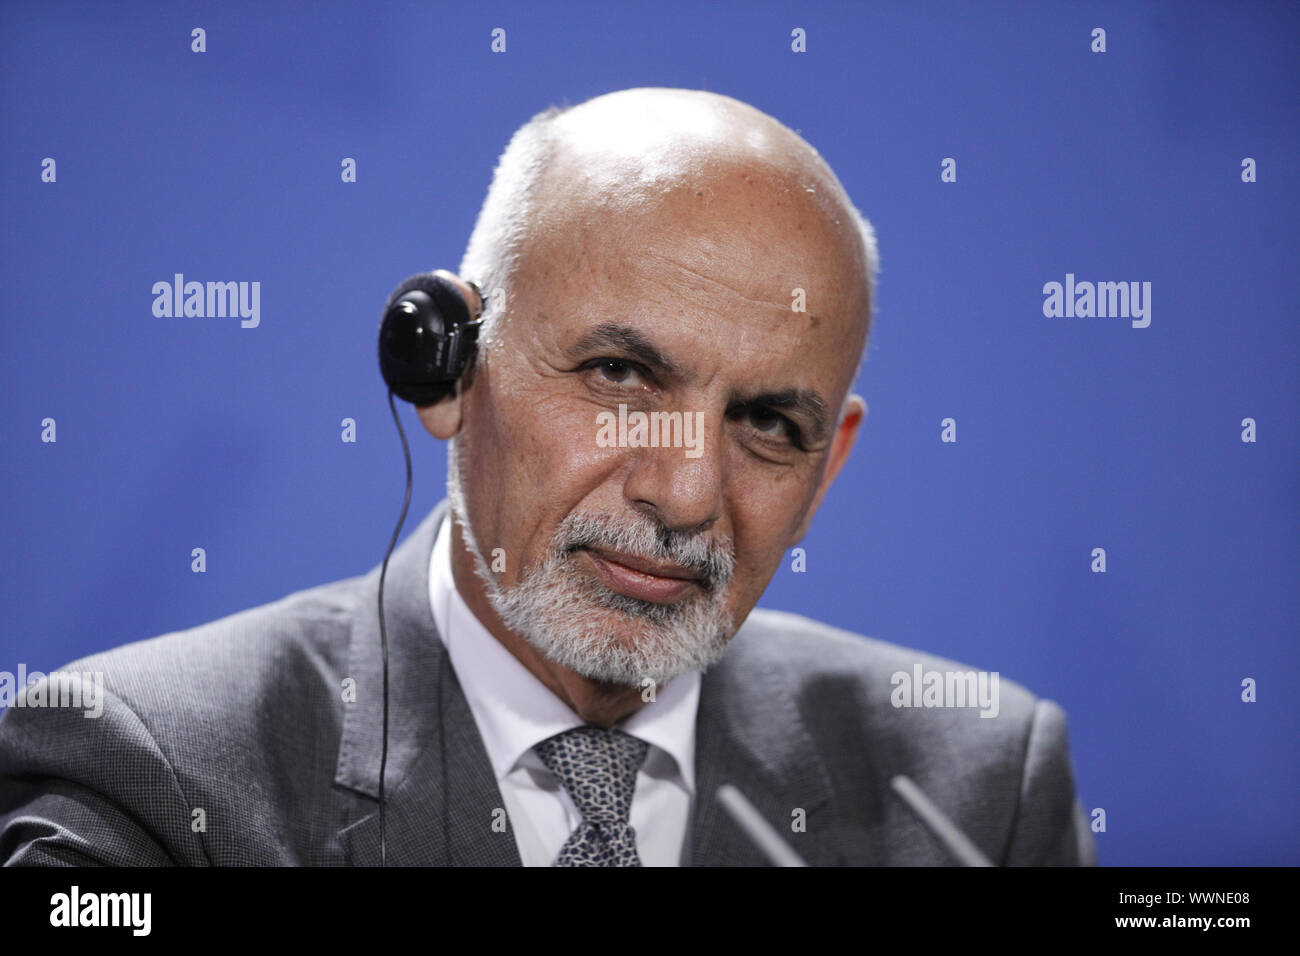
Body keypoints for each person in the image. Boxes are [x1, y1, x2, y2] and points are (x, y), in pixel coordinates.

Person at [0, 88, 1095, 866]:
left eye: (766, 422)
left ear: (828, 466)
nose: (683, 492)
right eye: (620, 373)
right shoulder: (149, 772)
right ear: (447, 369)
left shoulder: (977, 790)